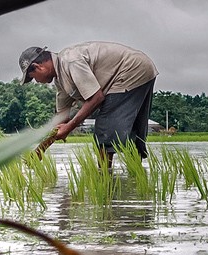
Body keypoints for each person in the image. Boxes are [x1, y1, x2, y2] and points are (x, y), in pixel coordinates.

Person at [18, 41, 158, 167]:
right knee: (131, 130)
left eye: (32, 78)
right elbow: (60, 121)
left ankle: (103, 177)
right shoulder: (61, 81)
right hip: (142, 68)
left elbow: (96, 98)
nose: (36, 81)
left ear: (38, 67)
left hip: (131, 69)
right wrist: (39, 151)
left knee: (105, 127)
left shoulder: (70, 61)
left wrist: (70, 127)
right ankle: (135, 174)